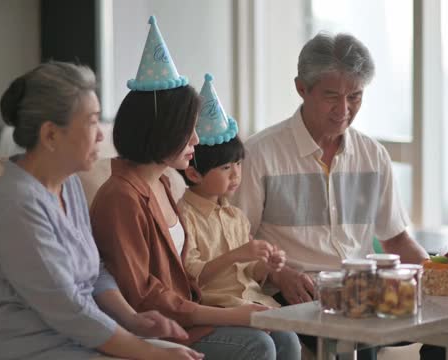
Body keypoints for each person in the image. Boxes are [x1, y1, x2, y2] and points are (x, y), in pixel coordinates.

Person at [233, 31, 448, 360]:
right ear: (302, 88)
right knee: (352, 335)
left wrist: (437, 274)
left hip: (365, 290)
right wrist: (279, 273)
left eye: (355, 97)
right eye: (332, 96)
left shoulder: (373, 155)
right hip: (299, 293)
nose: (344, 110)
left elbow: (396, 239)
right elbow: (235, 239)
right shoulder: (261, 153)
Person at [90, 16, 300, 360]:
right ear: (162, 131)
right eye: (188, 129)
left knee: (286, 338)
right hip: (157, 326)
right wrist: (232, 315)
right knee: (257, 344)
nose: (197, 140)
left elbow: (186, 277)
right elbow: (144, 297)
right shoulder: (121, 198)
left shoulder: (162, 184)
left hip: (187, 315)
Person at [0, 61, 203, 360]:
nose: (102, 135)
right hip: (23, 349)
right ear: (50, 135)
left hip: (74, 341)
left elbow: (95, 272)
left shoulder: (69, 184)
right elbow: (69, 309)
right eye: (91, 121)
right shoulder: (17, 206)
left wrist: (132, 319)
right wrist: (150, 352)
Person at [176, 73, 301, 358]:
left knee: (289, 339)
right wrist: (237, 254)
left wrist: (267, 265)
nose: (236, 175)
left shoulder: (235, 216)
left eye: (238, 164)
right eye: (225, 168)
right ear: (194, 173)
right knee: (263, 344)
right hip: (217, 312)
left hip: (253, 304)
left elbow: (249, 273)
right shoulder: (184, 216)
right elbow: (192, 277)